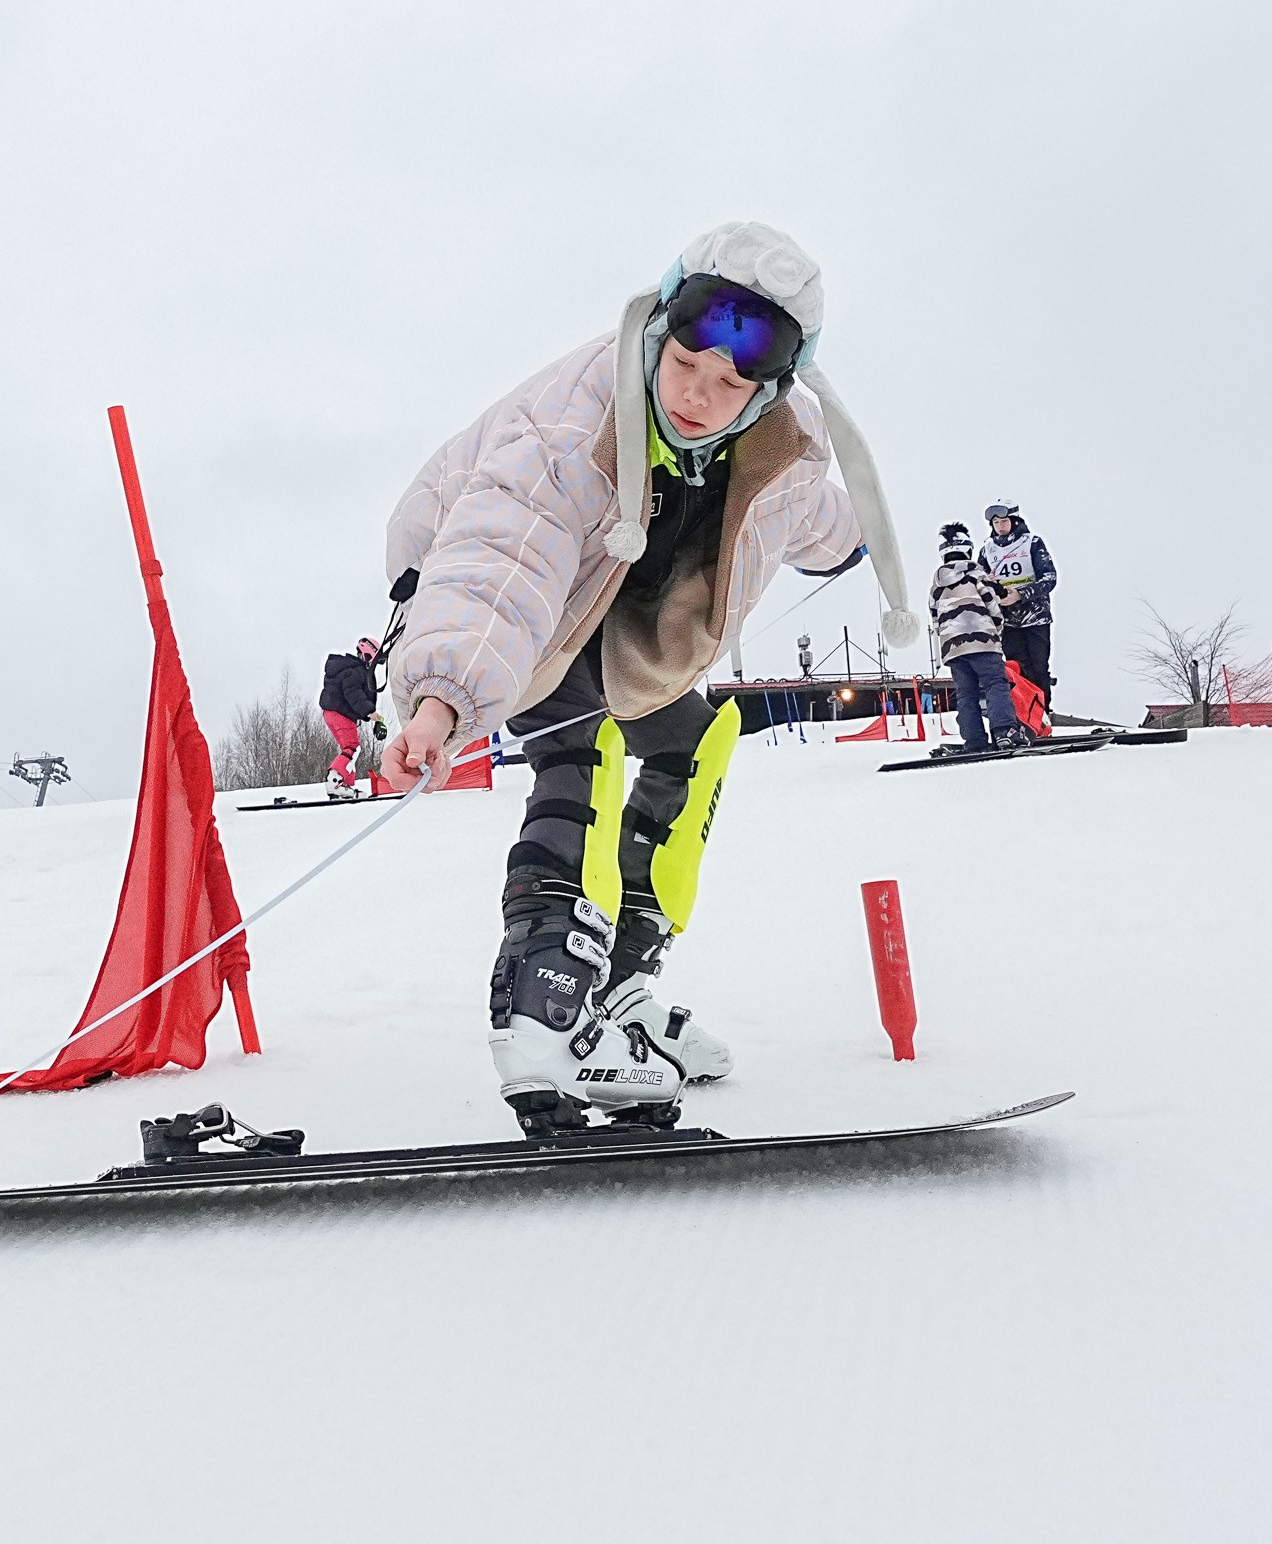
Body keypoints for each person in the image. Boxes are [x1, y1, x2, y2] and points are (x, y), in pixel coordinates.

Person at [378, 222, 915, 1135]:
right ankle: (543, 1007)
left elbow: (804, 513)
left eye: (731, 382)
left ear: (767, 390)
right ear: (661, 335)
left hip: (618, 611)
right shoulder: (573, 421)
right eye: (687, 367)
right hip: (488, 589)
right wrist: (443, 702)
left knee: (696, 737)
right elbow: (500, 563)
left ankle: (620, 979)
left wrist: (858, 543)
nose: (701, 396)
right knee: (584, 741)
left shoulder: (778, 444)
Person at [930, 522, 1028, 753]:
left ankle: (974, 739)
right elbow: (993, 608)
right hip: (983, 642)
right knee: (995, 684)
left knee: (966, 693)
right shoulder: (976, 576)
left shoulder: (936, 586)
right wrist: (996, 633)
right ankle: (1004, 731)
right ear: (968, 549)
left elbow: (935, 620)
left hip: (953, 648)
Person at [978, 499, 1057, 713]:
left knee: (1039, 668)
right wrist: (991, 587)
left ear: (1014, 520)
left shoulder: (1032, 542)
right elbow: (980, 584)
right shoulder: (987, 550)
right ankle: (1024, 715)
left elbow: (1050, 578)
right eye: (996, 523)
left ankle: (1043, 714)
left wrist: (1021, 595)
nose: (1000, 526)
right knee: (1016, 670)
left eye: (1004, 521)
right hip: (1007, 622)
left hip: (1036, 617)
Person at [317, 637, 382, 799]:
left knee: (350, 748)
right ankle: (335, 781)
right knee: (352, 747)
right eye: (375, 660)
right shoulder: (354, 671)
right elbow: (353, 693)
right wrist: (369, 712)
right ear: (367, 655)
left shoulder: (351, 669)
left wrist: (368, 715)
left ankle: (346, 786)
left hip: (332, 712)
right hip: (340, 712)